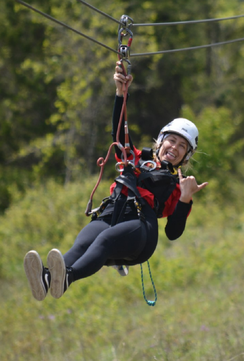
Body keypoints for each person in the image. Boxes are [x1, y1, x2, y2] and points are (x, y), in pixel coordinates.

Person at [23, 63, 208, 301]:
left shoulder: (178, 184)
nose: (175, 148)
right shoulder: (138, 157)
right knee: (84, 241)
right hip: (113, 213)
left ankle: (67, 278)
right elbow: (119, 134)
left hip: (142, 228)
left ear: (186, 156)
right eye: (172, 141)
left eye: (182, 146)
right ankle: (47, 279)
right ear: (161, 142)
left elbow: (173, 232)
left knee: (105, 240)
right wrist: (121, 93)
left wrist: (185, 198)